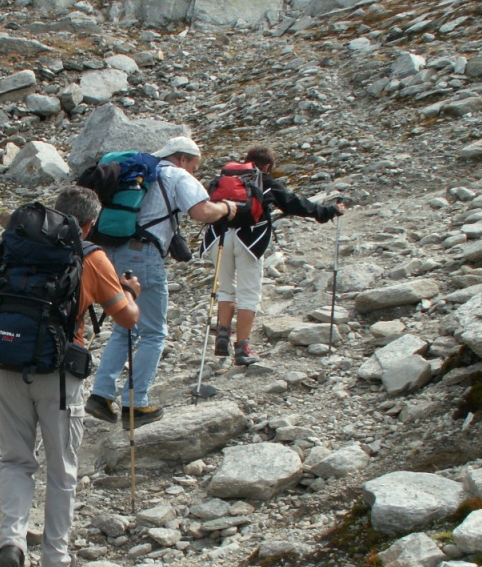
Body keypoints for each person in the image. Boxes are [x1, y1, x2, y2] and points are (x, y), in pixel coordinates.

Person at [0, 186, 140, 567]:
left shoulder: (13, 246)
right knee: (61, 468)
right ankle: (55, 564)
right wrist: (130, 292)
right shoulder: (91, 257)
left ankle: (12, 541)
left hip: (6, 365)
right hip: (58, 373)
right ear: (89, 224)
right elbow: (127, 319)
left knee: (15, 459)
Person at [85, 136, 237, 427]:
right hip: (142, 254)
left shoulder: (141, 173)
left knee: (125, 325)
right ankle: (136, 403)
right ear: (183, 158)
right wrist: (227, 209)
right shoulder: (177, 175)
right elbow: (201, 212)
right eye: (194, 165)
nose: (193, 171)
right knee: (154, 332)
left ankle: (101, 395)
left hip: (111, 252)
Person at [201, 146, 346, 365]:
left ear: (246, 160)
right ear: (267, 166)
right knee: (248, 293)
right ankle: (242, 349)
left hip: (218, 238)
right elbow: (293, 202)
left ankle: (223, 334)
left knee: (225, 289)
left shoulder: (224, 179)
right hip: (249, 240)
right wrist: (327, 212)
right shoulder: (263, 180)